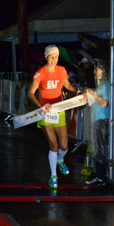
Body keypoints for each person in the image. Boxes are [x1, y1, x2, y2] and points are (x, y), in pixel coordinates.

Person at [28, 45, 78, 188]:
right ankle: (53, 175)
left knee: (64, 146)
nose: (53, 59)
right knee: (54, 145)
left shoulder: (61, 70)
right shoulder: (40, 72)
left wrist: (80, 93)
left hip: (58, 110)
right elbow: (30, 92)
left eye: (56, 57)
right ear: (46, 57)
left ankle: (60, 160)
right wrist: (40, 105)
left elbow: (68, 86)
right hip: (45, 112)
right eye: (51, 57)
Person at [85, 59, 110, 186]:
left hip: (102, 121)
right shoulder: (102, 85)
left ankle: (101, 178)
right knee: (99, 150)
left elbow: (104, 103)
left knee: (101, 150)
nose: (94, 72)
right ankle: (100, 176)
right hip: (99, 120)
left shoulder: (106, 85)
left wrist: (94, 93)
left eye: (97, 69)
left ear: (103, 71)